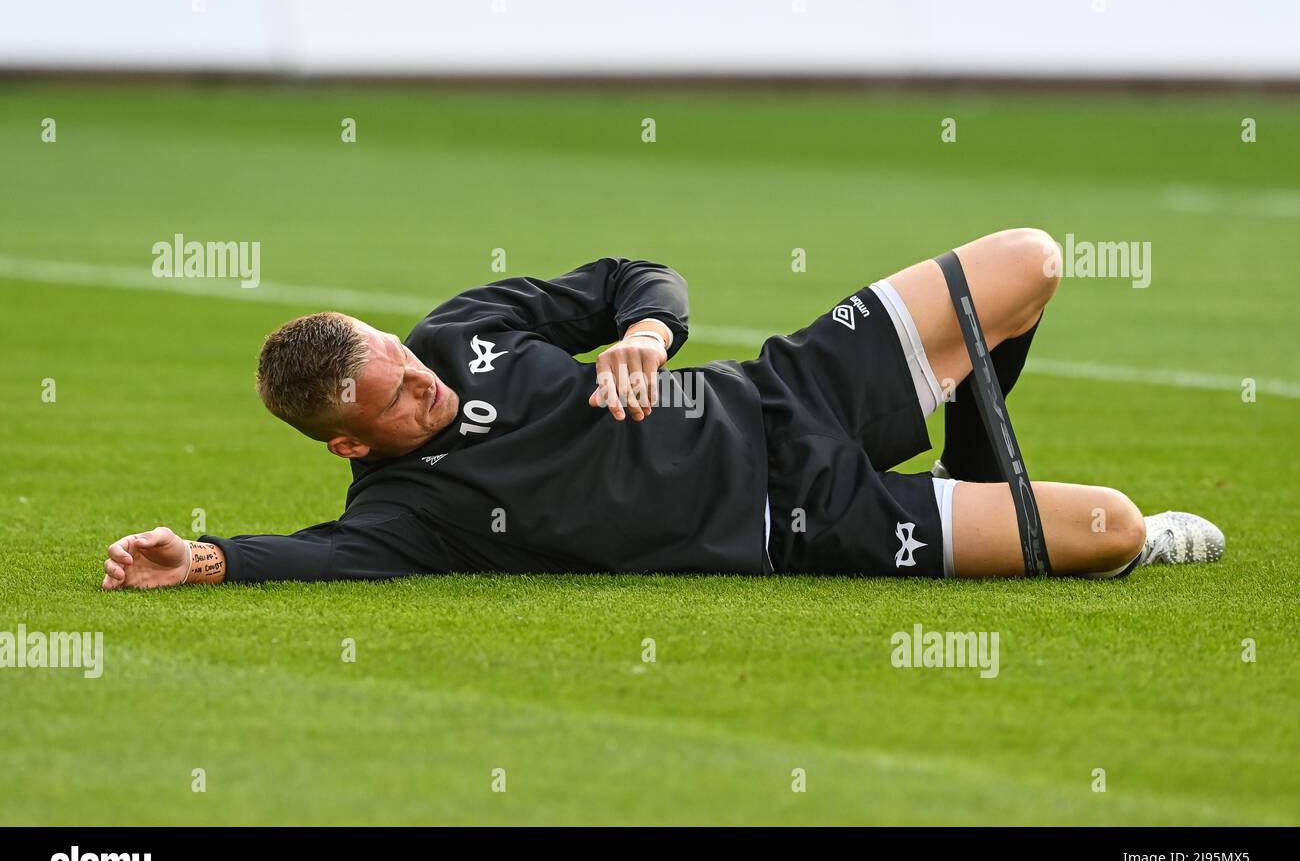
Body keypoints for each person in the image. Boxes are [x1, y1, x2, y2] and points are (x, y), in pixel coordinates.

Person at [100, 228, 1223, 590]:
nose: (422, 378)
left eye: (402, 355)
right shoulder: (408, 511)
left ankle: (984, 475)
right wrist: (202, 559)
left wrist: (644, 335)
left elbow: (630, 275)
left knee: (1026, 261)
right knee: (1114, 529)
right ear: (350, 440)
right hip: (804, 520)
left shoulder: (462, 328)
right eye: (397, 397)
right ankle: (1002, 506)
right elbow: (312, 554)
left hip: (789, 386)